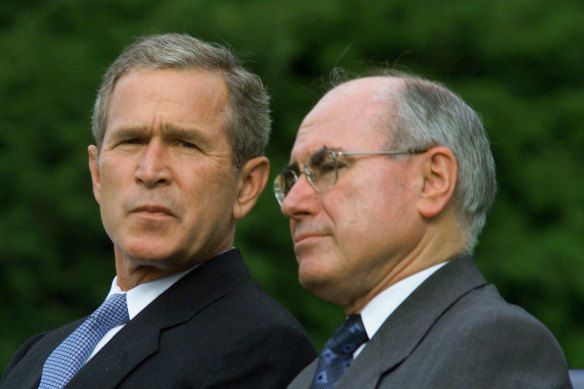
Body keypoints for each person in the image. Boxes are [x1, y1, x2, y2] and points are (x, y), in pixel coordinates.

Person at [1, 33, 316, 389]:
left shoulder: (262, 347)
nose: (150, 171)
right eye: (131, 141)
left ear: (246, 186)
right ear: (97, 174)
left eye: (186, 144)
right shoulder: (38, 356)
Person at [275, 71, 572, 388]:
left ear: (433, 180)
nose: (292, 204)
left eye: (328, 167)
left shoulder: (496, 345)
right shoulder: (310, 377)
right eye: (292, 180)